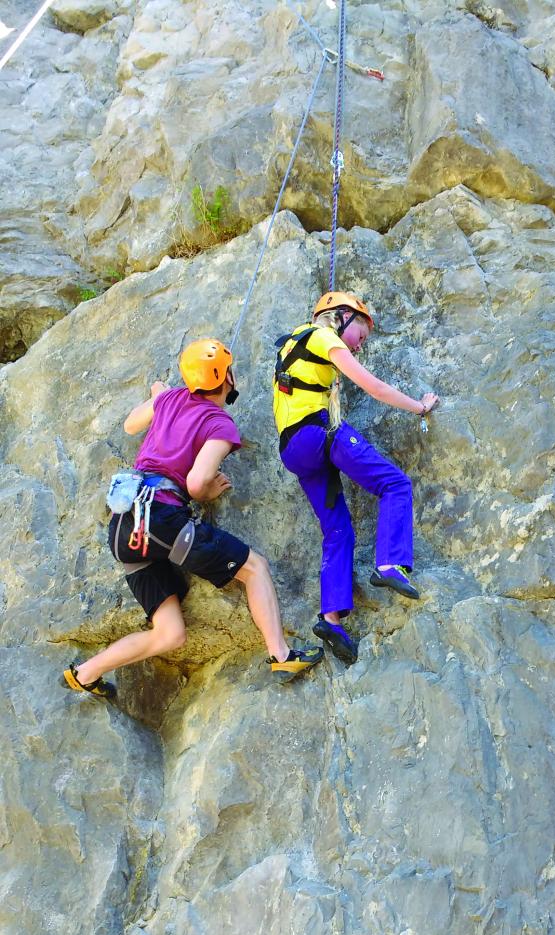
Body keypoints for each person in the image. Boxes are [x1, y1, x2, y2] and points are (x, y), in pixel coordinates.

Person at [63, 338, 323, 700]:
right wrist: (208, 493)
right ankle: (282, 655)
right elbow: (198, 481)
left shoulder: (169, 399)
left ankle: (85, 672)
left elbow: (130, 424)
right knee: (254, 568)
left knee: (170, 634)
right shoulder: (219, 424)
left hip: (124, 525)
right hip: (160, 517)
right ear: (227, 378)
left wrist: (159, 394)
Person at [273, 290, 439, 665]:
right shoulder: (324, 337)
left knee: (338, 531)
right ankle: (389, 563)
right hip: (318, 434)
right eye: (360, 336)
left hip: (294, 450)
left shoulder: (292, 343)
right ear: (342, 316)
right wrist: (419, 407)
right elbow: (372, 386)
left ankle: (331, 619)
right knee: (394, 484)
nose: (360, 347)